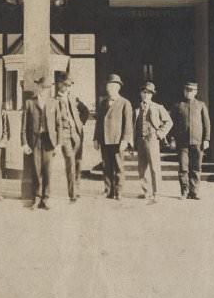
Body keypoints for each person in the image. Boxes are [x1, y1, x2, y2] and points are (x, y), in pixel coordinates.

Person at [21, 75, 59, 210]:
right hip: (34, 141)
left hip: (49, 142)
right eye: (42, 87)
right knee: (36, 170)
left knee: (48, 171)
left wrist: (58, 144)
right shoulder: (29, 103)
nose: (44, 90)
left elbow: (59, 125)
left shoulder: (54, 103)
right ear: (38, 87)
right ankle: (36, 198)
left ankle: (46, 198)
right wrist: (24, 143)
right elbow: (23, 126)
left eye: (47, 88)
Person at [94, 74, 133, 200]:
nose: (109, 89)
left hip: (117, 140)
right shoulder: (103, 103)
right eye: (108, 86)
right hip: (104, 139)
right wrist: (96, 138)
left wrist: (125, 140)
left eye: (112, 86)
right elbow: (99, 122)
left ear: (118, 87)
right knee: (107, 166)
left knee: (118, 166)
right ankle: (108, 191)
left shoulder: (125, 103)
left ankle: (118, 191)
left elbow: (128, 124)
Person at [132, 82, 173, 203]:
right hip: (140, 140)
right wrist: (133, 142)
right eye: (144, 92)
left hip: (152, 139)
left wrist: (160, 133)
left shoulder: (158, 107)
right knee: (141, 168)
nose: (146, 95)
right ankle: (146, 192)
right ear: (141, 94)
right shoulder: (137, 110)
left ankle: (156, 193)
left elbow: (169, 122)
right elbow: (134, 126)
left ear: (152, 95)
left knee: (154, 167)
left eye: (149, 93)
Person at [171, 81, 212, 200]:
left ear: (195, 92)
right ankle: (184, 191)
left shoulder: (201, 105)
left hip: (197, 142)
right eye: (187, 90)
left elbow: (206, 123)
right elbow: (172, 124)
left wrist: (206, 139)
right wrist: (173, 139)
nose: (189, 93)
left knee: (196, 168)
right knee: (183, 168)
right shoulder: (178, 106)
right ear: (184, 91)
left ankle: (194, 192)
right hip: (182, 142)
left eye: (191, 91)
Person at [54, 73, 87, 201]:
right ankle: (72, 194)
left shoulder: (73, 98)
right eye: (66, 85)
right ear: (59, 84)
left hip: (77, 134)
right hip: (65, 135)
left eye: (70, 85)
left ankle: (77, 188)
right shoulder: (54, 100)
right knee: (70, 162)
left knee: (78, 162)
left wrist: (80, 123)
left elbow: (85, 111)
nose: (68, 88)